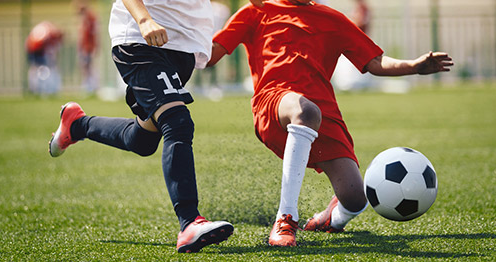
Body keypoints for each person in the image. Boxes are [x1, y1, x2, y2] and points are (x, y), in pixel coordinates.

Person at [207, 0, 453, 247]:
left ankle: (330, 219)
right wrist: (178, 37)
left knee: (355, 198)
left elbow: (374, 62)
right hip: (273, 103)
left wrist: (414, 66)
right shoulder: (254, 11)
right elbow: (210, 56)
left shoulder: (332, 19)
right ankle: (286, 218)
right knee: (305, 111)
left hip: (323, 113)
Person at [48, 0, 241, 253]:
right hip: (142, 40)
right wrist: (143, 19)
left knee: (144, 140)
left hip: (182, 45)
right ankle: (189, 222)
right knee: (177, 122)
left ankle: (77, 125)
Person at [26, 21, 63, 95]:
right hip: (37, 51)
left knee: (36, 70)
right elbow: (49, 49)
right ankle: (42, 89)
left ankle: (37, 89)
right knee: (42, 70)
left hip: (34, 50)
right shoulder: (49, 34)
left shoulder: (45, 30)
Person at [76, 2, 99, 94]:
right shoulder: (86, 19)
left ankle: (90, 87)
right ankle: (88, 86)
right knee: (86, 68)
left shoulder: (89, 19)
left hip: (87, 48)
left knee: (88, 68)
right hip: (85, 47)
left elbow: (90, 35)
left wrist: (90, 47)